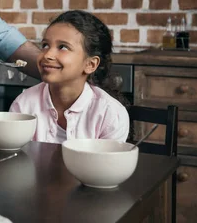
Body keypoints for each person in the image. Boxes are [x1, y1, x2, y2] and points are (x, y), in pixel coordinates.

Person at [9, 10, 129, 143]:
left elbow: (106, 163)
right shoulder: (23, 105)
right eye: (45, 45)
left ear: (90, 64)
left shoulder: (111, 114)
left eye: (63, 47)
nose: (48, 54)